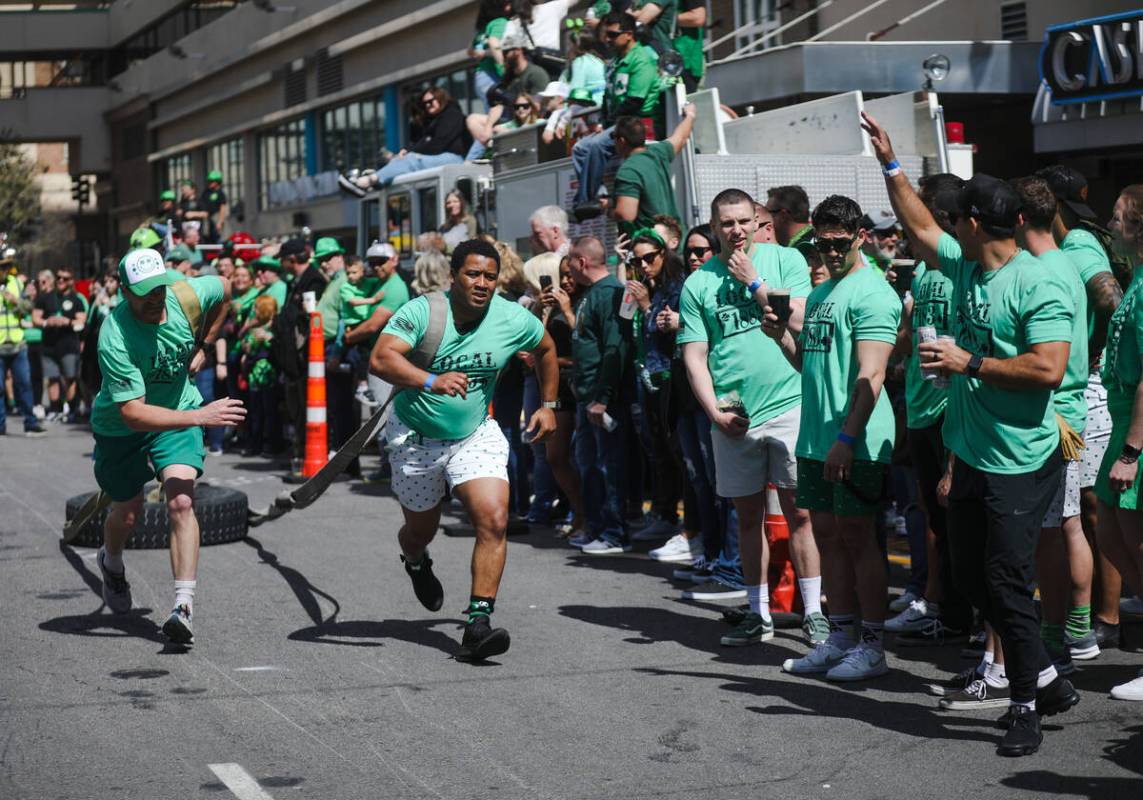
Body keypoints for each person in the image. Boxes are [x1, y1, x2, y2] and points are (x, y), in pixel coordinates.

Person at [864, 111, 1079, 757]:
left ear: (976, 223)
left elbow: (1047, 368)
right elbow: (917, 223)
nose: (945, 224)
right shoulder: (962, 266)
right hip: (970, 454)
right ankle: (1043, 675)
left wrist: (971, 363)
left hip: (1021, 459)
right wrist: (890, 163)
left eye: (955, 215)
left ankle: (1023, 706)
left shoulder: (1039, 280)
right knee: (969, 579)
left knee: (1006, 581)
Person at [370, 239, 560, 660]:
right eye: (473, 274)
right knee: (420, 531)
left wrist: (549, 407)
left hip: (475, 433)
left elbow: (546, 348)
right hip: (416, 439)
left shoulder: (511, 317)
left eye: (490, 277)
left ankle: (478, 623)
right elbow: (381, 359)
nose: (482, 283)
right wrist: (429, 380)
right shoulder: (423, 311)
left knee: (493, 517)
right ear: (453, 275)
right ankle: (416, 560)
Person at [677, 189, 825, 643]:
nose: (736, 231)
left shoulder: (786, 261)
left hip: (790, 404)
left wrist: (754, 278)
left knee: (801, 514)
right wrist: (714, 413)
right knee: (748, 517)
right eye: (726, 224)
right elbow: (696, 355)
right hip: (734, 415)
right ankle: (758, 612)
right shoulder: (698, 283)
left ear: (757, 220)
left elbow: (803, 320)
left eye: (743, 221)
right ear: (714, 225)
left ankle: (814, 611)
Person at [765, 194, 898, 680]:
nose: (830, 253)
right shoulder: (821, 293)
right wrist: (779, 336)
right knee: (827, 537)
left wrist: (847, 437)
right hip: (816, 435)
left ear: (861, 236)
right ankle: (840, 637)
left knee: (859, 538)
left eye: (839, 243)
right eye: (822, 244)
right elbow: (810, 365)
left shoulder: (873, 293)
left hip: (856, 438)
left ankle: (873, 645)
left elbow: (874, 375)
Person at [90, 248, 245, 645]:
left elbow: (225, 291)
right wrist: (201, 417)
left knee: (180, 502)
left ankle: (183, 607)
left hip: (178, 411)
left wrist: (204, 344)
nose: (155, 298)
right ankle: (111, 561)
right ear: (124, 291)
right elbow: (133, 413)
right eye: (144, 292)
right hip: (123, 425)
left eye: (159, 288)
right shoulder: (114, 334)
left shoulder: (186, 295)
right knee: (127, 512)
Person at [1012, 176, 1097, 676]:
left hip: (1057, 413)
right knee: (1066, 525)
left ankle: (1065, 634)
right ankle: (1075, 629)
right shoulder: (1063, 261)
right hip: (1067, 408)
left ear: (1020, 220)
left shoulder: (1046, 269)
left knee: (1056, 529)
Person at [1038, 165, 1125, 649]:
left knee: (1089, 512)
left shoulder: (1077, 246)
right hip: (1085, 386)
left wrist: (1095, 348)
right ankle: (1094, 616)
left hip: (1089, 388)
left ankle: (1105, 619)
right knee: (1087, 511)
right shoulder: (1068, 245)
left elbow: (1112, 300)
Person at [887, 173, 974, 648]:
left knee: (956, 514)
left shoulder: (961, 267)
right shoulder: (921, 272)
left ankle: (959, 612)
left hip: (952, 405)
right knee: (931, 513)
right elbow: (908, 336)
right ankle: (938, 603)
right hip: (919, 406)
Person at [1095, 183, 1143, 702]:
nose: (1109, 225)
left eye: (1117, 216)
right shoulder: (1137, 279)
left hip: (1138, 435)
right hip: (1124, 426)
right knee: (1110, 537)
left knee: (1136, 543)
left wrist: (1132, 452)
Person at [649, 224, 719, 569]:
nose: (694, 257)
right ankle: (705, 550)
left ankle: (722, 556)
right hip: (683, 394)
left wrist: (683, 323)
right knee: (696, 477)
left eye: (701, 250)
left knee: (715, 478)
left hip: (714, 397)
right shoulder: (686, 285)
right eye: (689, 251)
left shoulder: (722, 284)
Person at [567, 236, 632, 553]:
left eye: (569, 260)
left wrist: (603, 397)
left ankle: (614, 533)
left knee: (609, 466)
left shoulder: (610, 294)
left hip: (601, 399)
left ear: (581, 261)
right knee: (589, 464)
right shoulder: (591, 294)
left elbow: (615, 348)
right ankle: (598, 528)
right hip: (586, 395)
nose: (567, 267)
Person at [571, 12, 662, 219]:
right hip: (617, 123)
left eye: (612, 35)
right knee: (579, 148)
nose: (607, 39)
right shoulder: (614, 62)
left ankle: (586, 201)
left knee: (595, 146)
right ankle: (599, 195)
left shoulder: (641, 60)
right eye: (606, 34)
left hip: (637, 123)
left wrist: (612, 123)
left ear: (629, 34)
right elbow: (607, 97)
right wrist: (604, 121)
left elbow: (634, 101)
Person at [625, 229, 684, 539]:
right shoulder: (646, 285)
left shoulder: (674, 286)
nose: (644, 265)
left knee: (673, 453)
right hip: (646, 378)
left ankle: (673, 518)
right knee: (655, 451)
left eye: (650, 258)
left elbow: (665, 328)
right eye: (638, 260)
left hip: (667, 380)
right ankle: (663, 513)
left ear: (664, 254)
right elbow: (627, 321)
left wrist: (647, 305)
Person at [536, 252, 588, 535]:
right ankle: (578, 510)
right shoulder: (555, 304)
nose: (567, 281)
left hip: (578, 383)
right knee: (554, 455)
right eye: (563, 275)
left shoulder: (583, 301)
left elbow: (585, 343)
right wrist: (540, 309)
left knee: (583, 456)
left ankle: (585, 516)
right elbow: (537, 342)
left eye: (571, 275)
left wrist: (568, 311)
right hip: (555, 386)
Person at [341, 88, 468, 195]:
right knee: (400, 160)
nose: (427, 105)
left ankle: (368, 181)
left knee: (411, 160)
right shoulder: (432, 121)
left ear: (441, 98)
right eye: (425, 104)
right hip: (441, 157)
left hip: (453, 158)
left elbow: (438, 143)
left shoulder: (452, 114)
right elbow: (425, 143)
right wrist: (408, 151)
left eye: (430, 101)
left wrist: (412, 153)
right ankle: (373, 182)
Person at [276, 239, 328, 477]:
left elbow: (309, 317)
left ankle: (308, 456)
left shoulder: (313, 280)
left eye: (283, 259)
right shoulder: (294, 282)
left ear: (293, 259)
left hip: (306, 357)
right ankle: (299, 454)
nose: (282, 264)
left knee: (306, 407)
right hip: (291, 358)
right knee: (295, 408)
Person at [346, 241, 412, 421]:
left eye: (381, 261)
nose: (376, 266)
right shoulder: (378, 283)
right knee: (379, 413)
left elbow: (372, 326)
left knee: (384, 415)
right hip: (375, 354)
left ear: (394, 260)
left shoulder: (394, 288)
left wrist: (348, 337)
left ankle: (387, 448)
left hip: (386, 358)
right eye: (372, 262)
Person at [609, 104, 695, 236]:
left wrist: (607, 209)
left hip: (650, 247)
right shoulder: (658, 152)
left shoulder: (628, 171)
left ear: (621, 140)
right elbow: (681, 137)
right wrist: (690, 115)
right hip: (674, 240)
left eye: (613, 137)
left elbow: (626, 214)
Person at [33, 267, 87, 422]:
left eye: (65, 278)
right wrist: (46, 322)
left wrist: (67, 321)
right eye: (58, 277)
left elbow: (81, 321)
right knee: (52, 378)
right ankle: (55, 409)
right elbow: (35, 317)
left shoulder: (76, 299)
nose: (61, 281)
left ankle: (71, 409)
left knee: (70, 378)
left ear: (71, 281)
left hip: (69, 345)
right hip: (49, 345)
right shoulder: (45, 298)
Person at [0, 263, 46, 436]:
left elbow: (28, 308)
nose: (3, 271)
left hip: (18, 345)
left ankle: (30, 422)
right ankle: (0, 425)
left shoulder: (16, 284)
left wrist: (15, 300)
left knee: (25, 384)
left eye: (5, 268)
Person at [240, 295, 283, 458]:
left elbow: (278, 347)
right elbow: (248, 348)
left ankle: (271, 444)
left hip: (268, 374)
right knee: (255, 410)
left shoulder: (274, 328)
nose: (254, 311)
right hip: (254, 375)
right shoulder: (255, 327)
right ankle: (255, 443)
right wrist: (247, 343)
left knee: (270, 410)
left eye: (257, 307)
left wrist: (266, 338)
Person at [469, 0, 515, 110]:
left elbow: (470, 50)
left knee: (491, 111)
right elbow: (493, 42)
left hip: (480, 76)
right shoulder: (500, 22)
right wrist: (502, 67)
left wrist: (483, 53)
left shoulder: (483, 30)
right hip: (492, 75)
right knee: (501, 112)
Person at [673, 0, 706, 92]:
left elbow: (698, 18)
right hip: (666, 60)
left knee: (690, 102)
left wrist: (665, 17)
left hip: (686, 62)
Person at [202, 170, 229, 244]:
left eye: (211, 181)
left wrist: (220, 221)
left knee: (219, 238)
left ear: (217, 182)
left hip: (216, 217)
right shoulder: (206, 192)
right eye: (209, 181)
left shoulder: (220, 193)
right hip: (207, 218)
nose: (209, 183)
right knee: (207, 237)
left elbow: (222, 207)